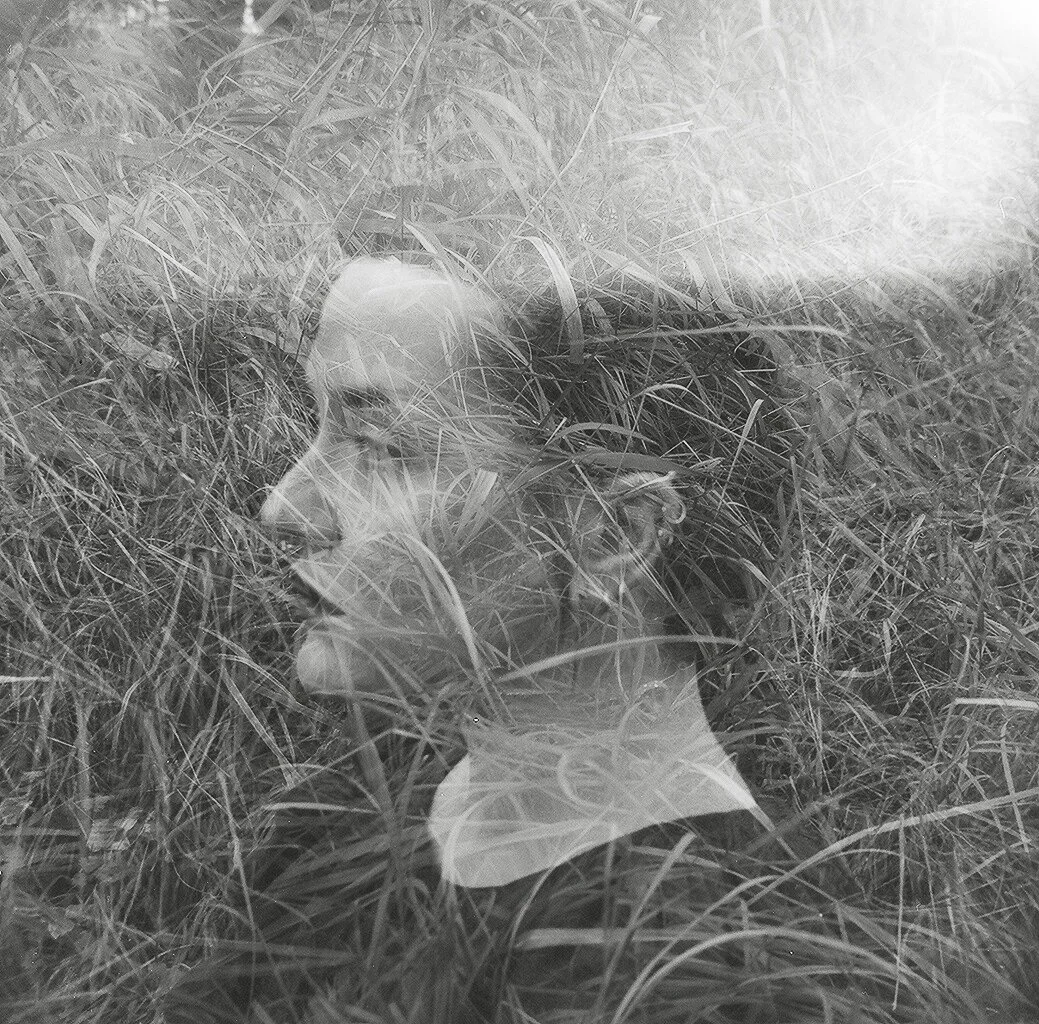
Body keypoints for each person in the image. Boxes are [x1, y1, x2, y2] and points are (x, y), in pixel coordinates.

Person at [260, 257, 757, 887]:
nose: (282, 507)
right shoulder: (349, 809)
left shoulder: (697, 937)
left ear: (614, 533)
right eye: (319, 429)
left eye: (382, 444)